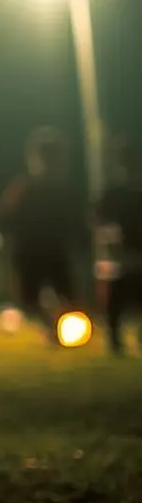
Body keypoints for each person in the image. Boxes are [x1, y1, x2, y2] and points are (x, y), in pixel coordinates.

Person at [0, 127, 84, 334]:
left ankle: (64, 328)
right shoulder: (25, 189)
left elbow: (74, 221)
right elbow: (6, 218)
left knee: (67, 296)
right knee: (30, 299)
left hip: (52, 250)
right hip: (31, 251)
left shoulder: (60, 191)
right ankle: (54, 327)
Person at [96, 138, 142, 356]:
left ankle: (119, 340)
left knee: (124, 297)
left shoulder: (122, 193)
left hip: (133, 253)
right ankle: (115, 341)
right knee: (117, 299)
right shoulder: (113, 193)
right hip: (120, 254)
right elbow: (99, 220)